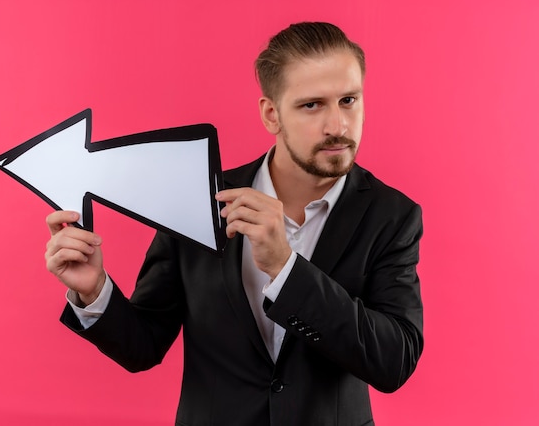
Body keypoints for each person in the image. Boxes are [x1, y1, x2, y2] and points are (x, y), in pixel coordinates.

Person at [45, 22, 424, 426]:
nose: (338, 126)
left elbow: (393, 361)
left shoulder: (391, 215)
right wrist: (95, 291)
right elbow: (143, 346)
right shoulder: (197, 199)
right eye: (311, 105)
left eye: (348, 100)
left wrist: (285, 267)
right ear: (271, 114)